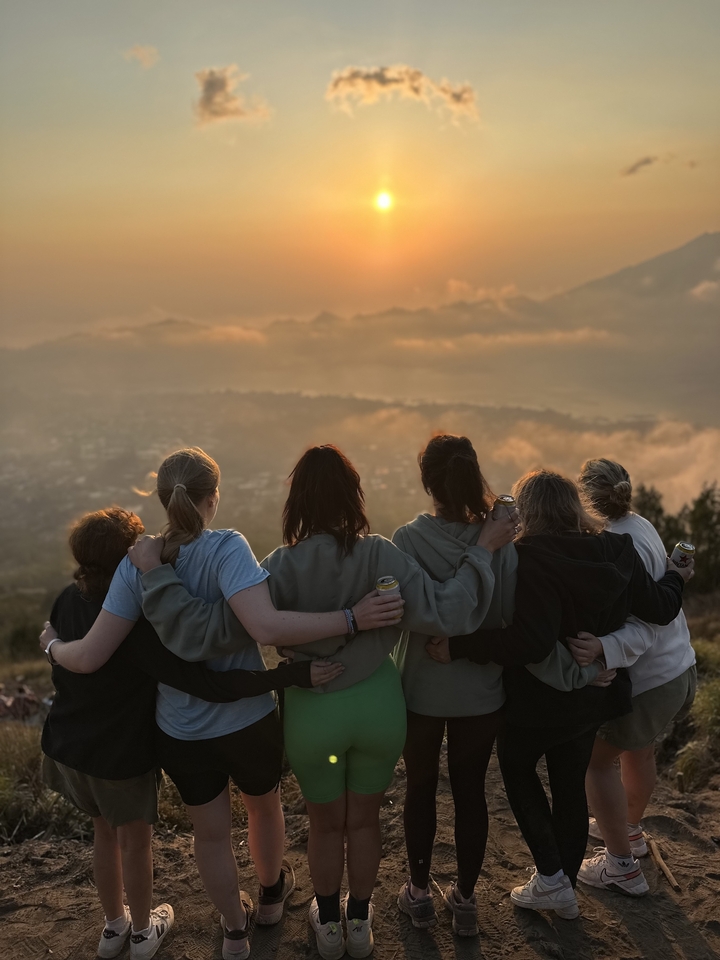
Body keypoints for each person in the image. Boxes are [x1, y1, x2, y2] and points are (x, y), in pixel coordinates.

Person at [124, 444, 516, 960]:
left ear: (295, 504)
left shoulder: (277, 569)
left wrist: (158, 576)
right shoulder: (382, 555)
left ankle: (328, 926)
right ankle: (360, 923)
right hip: (377, 707)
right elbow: (448, 612)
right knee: (365, 822)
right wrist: (482, 551)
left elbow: (207, 632)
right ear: (355, 495)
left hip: (314, 711)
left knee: (327, 824)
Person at [39, 448, 400, 960]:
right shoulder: (229, 547)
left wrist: (52, 645)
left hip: (181, 728)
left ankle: (234, 932)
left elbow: (92, 655)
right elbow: (269, 627)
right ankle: (272, 896)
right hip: (247, 717)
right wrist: (351, 619)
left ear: (163, 500)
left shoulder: (138, 562)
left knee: (210, 837)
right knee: (264, 807)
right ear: (214, 498)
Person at [428, 469, 692, 921]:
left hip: (538, 702)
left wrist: (459, 647)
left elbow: (529, 644)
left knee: (516, 768)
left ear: (529, 513)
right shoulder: (617, 549)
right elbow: (662, 608)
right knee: (570, 784)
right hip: (593, 701)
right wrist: (676, 575)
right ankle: (562, 884)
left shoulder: (528, 557)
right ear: (575, 507)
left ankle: (553, 879)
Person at [392, 435, 517, 937]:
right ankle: (465, 901)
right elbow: (506, 617)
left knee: (419, 788)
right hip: (481, 693)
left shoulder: (405, 540)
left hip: (420, 691)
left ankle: (419, 895)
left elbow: (403, 614)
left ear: (427, 482)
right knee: (471, 793)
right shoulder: (500, 540)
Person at [570, 459, 696, 895]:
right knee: (637, 753)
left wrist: (603, 649)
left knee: (597, 762)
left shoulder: (613, 546)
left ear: (586, 500)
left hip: (648, 680)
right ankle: (629, 831)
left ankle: (620, 865)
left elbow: (644, 626)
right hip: (680, 669)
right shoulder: (639, 525)